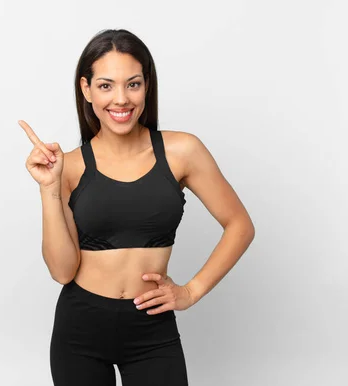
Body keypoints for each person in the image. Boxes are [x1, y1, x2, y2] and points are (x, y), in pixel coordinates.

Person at [19, 29, 255, 386]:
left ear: (147, 86)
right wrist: (49, 189)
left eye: (133, 84)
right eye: (105, 86)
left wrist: (191, 291)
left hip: (151, 331)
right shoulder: (68, 166)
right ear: (86, 89)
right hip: (79, 329)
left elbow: (240, 224)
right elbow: (62, 272)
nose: (121, 99)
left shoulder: (183, 151)